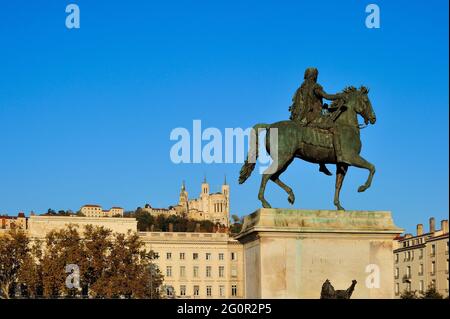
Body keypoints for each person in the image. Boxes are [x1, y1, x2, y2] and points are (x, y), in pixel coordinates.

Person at [289, 68, 345, 174]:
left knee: (319, 134)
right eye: (316, 75)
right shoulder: (315, 87)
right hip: (313, 116)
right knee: (334, 128)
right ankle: (340, 157)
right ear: (314, 76)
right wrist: (339, 96)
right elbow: (326, 96)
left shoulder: (301, 88)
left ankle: (322, 164)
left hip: (301, 117)